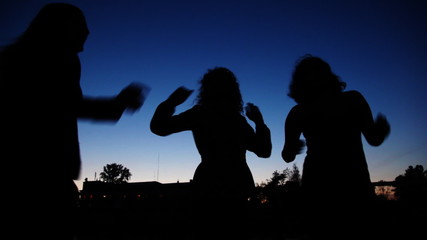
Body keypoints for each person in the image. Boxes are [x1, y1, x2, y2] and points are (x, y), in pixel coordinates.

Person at [0, 3, 149, 239]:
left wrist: (115, 106)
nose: (87, 32)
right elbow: (66, 105)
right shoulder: (58, 60)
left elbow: (64, 105)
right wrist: (117, 105)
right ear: (59, 28)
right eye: (80, 24)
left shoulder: (17, 58)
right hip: (41, 178)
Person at [150, 67, 272, 240]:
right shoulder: (237, 120)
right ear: (234, 91)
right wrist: (259, 122)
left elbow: (158, 127)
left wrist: (171, 102)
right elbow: (264, 151)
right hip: (237, 184)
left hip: (207, 183)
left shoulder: (200, 114)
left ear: (206, 90)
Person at [281, 54, 390, 239]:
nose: (314, 77)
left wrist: (381, 130)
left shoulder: (300, 111)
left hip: (341, 185)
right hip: (338, 185)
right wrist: (382, 129)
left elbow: (287, 156)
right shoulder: (351, 100)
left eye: (317, 71)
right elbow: (287, 155)